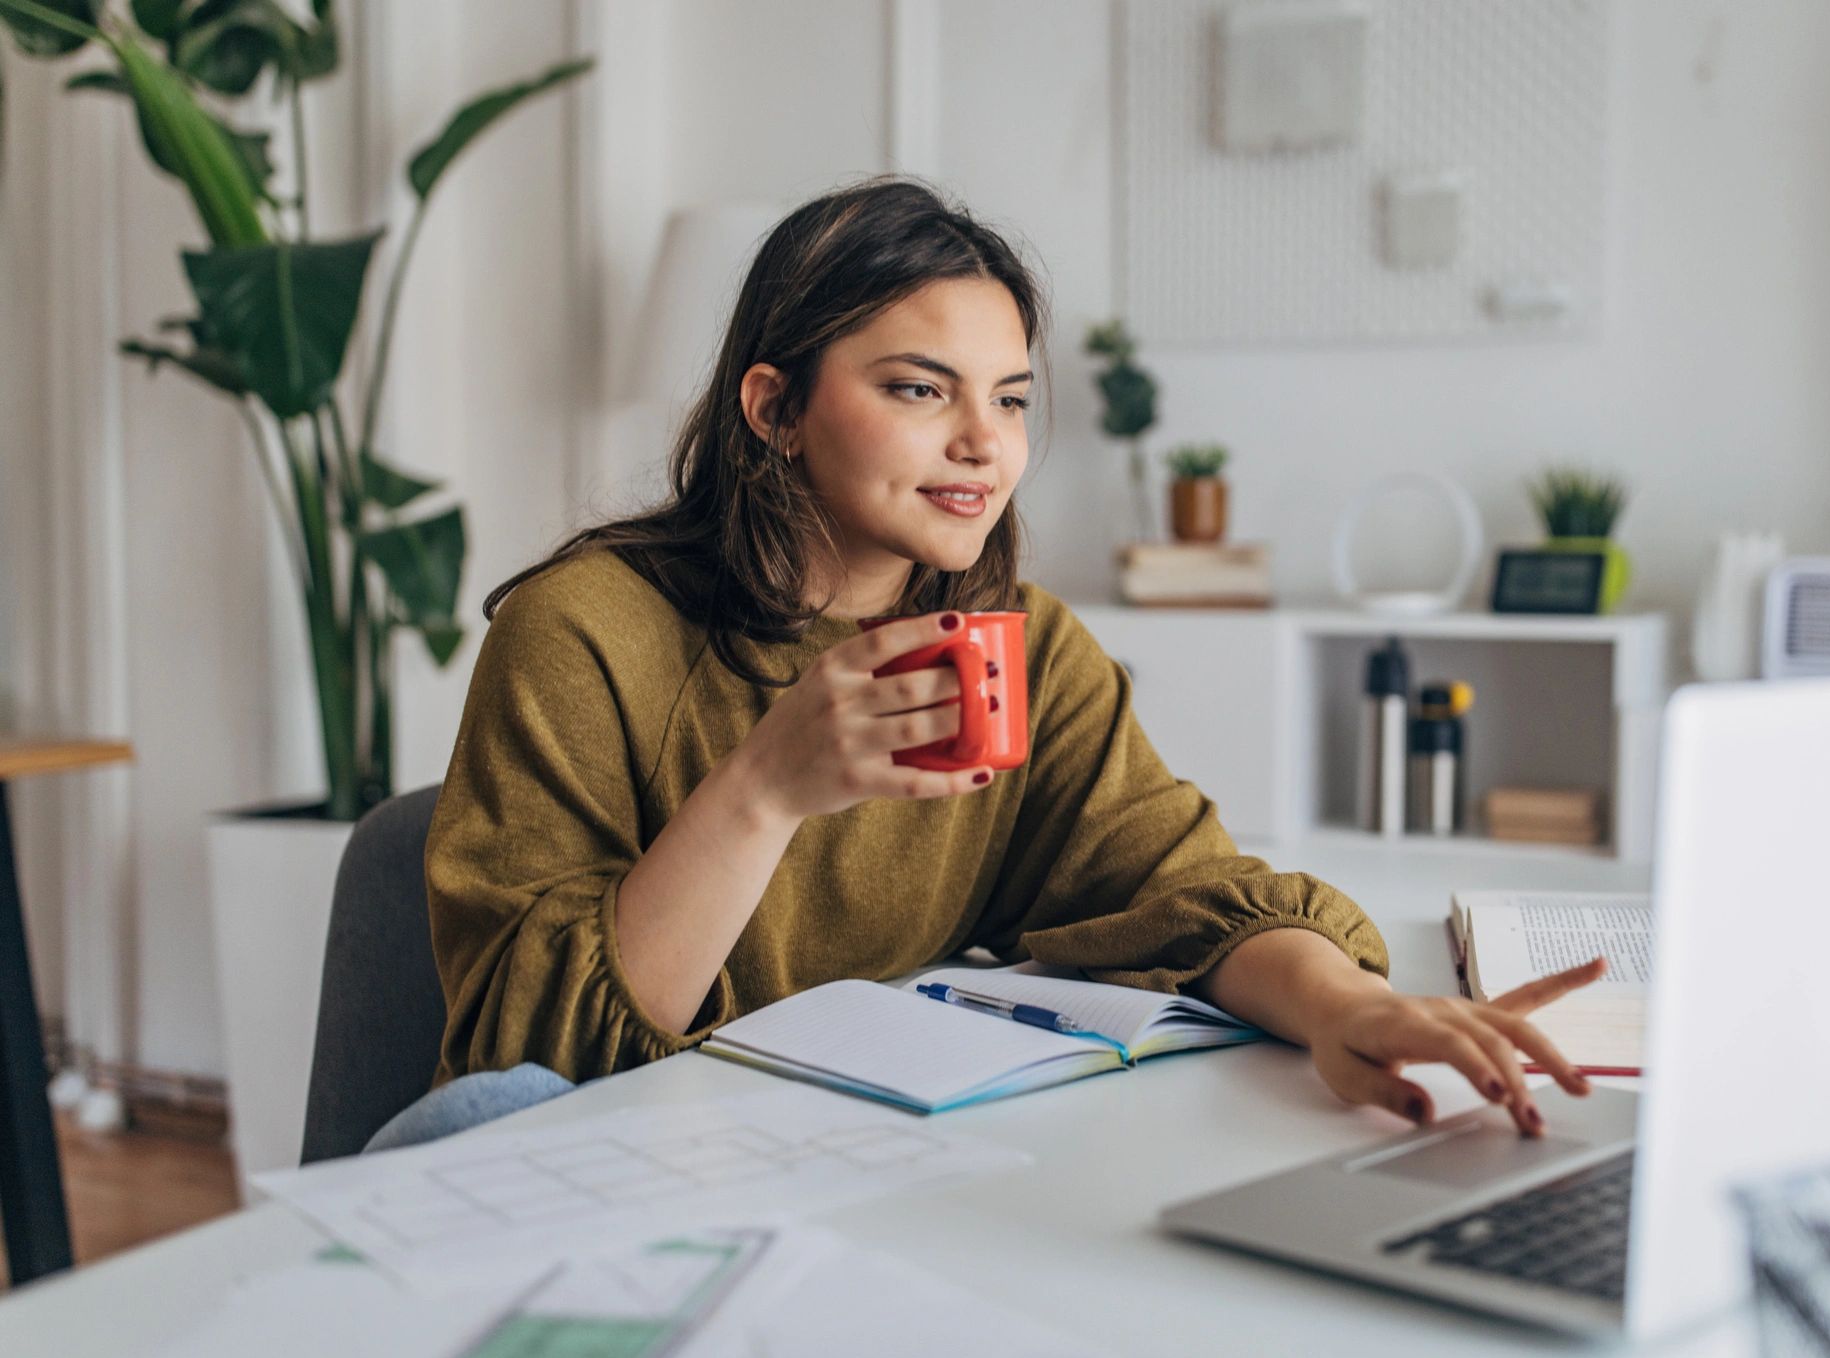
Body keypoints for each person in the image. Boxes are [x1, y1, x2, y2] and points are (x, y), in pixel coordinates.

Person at [369, 176, 1603, 1154]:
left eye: (1010, 400)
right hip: (594, 1177)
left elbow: (1177, 887)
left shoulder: (1022, 650)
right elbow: (528, 1065)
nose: (982, 444)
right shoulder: (583, 632)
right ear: (772, 408)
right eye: (919, 389)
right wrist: (764, 790)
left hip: (858, 1171)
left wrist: (1348, 1010)